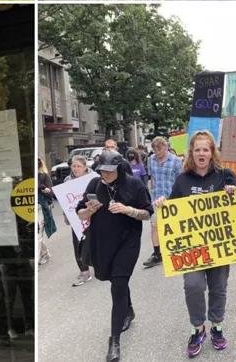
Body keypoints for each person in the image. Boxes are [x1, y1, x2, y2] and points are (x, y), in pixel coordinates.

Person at [76, 150, 153, 362]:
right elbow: (80, 213)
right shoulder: (94, 185)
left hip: (128, 242)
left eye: (109, 171)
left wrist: (128, 209)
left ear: (118, 167)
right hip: (103, 242)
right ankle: (128, 309)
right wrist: (89, 210)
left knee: (118, 284)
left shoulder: (134, 184)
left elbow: (148, 213)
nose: (105, 175)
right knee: (115, 279)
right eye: (102, 171)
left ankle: (114, 341)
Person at [170, 132, 236, 356]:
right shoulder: (182, 180)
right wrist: (163, 204)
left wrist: (232, 191)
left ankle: (216, 327)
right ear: (191, 152)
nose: (201, 153)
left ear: (212, 152)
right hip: (192, 249)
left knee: (218, 288)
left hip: (219, 248)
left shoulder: (225, 175)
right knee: (193, 286)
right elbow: (173, 211)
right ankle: (198, 328)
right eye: (197, 149)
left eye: (205, 149)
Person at [142, 135, 181, 269]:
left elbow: (180, 179)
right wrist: (150, 194)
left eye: (160, 149)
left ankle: (174, 250)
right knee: (155, 225)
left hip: (171, 197)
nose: (157, 152)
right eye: (155, 149)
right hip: (156, 197)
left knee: (172, 226)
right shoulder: (151, 160)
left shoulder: (175, 161)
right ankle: (157, 253)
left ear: (166, 147)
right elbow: (151, 178)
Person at [66, 154, 95, 286]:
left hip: (93, 216)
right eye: (73, 166)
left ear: (85, 167)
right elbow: (65, 199)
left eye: (78, 166)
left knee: (97, 241)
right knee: (77, 244)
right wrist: (67, 216)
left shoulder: (94, 178)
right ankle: (84, 271)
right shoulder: (67, 181)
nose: (75, 169)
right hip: (76, 218)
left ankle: (101, 265)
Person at [38, 158, 56, 265]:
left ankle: (40, 257)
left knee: (38, 233)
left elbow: (51, 192)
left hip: (42, 207)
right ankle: (44, 253)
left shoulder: (44, 175)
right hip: (32, 207)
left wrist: (43, 189)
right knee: (38, 234)